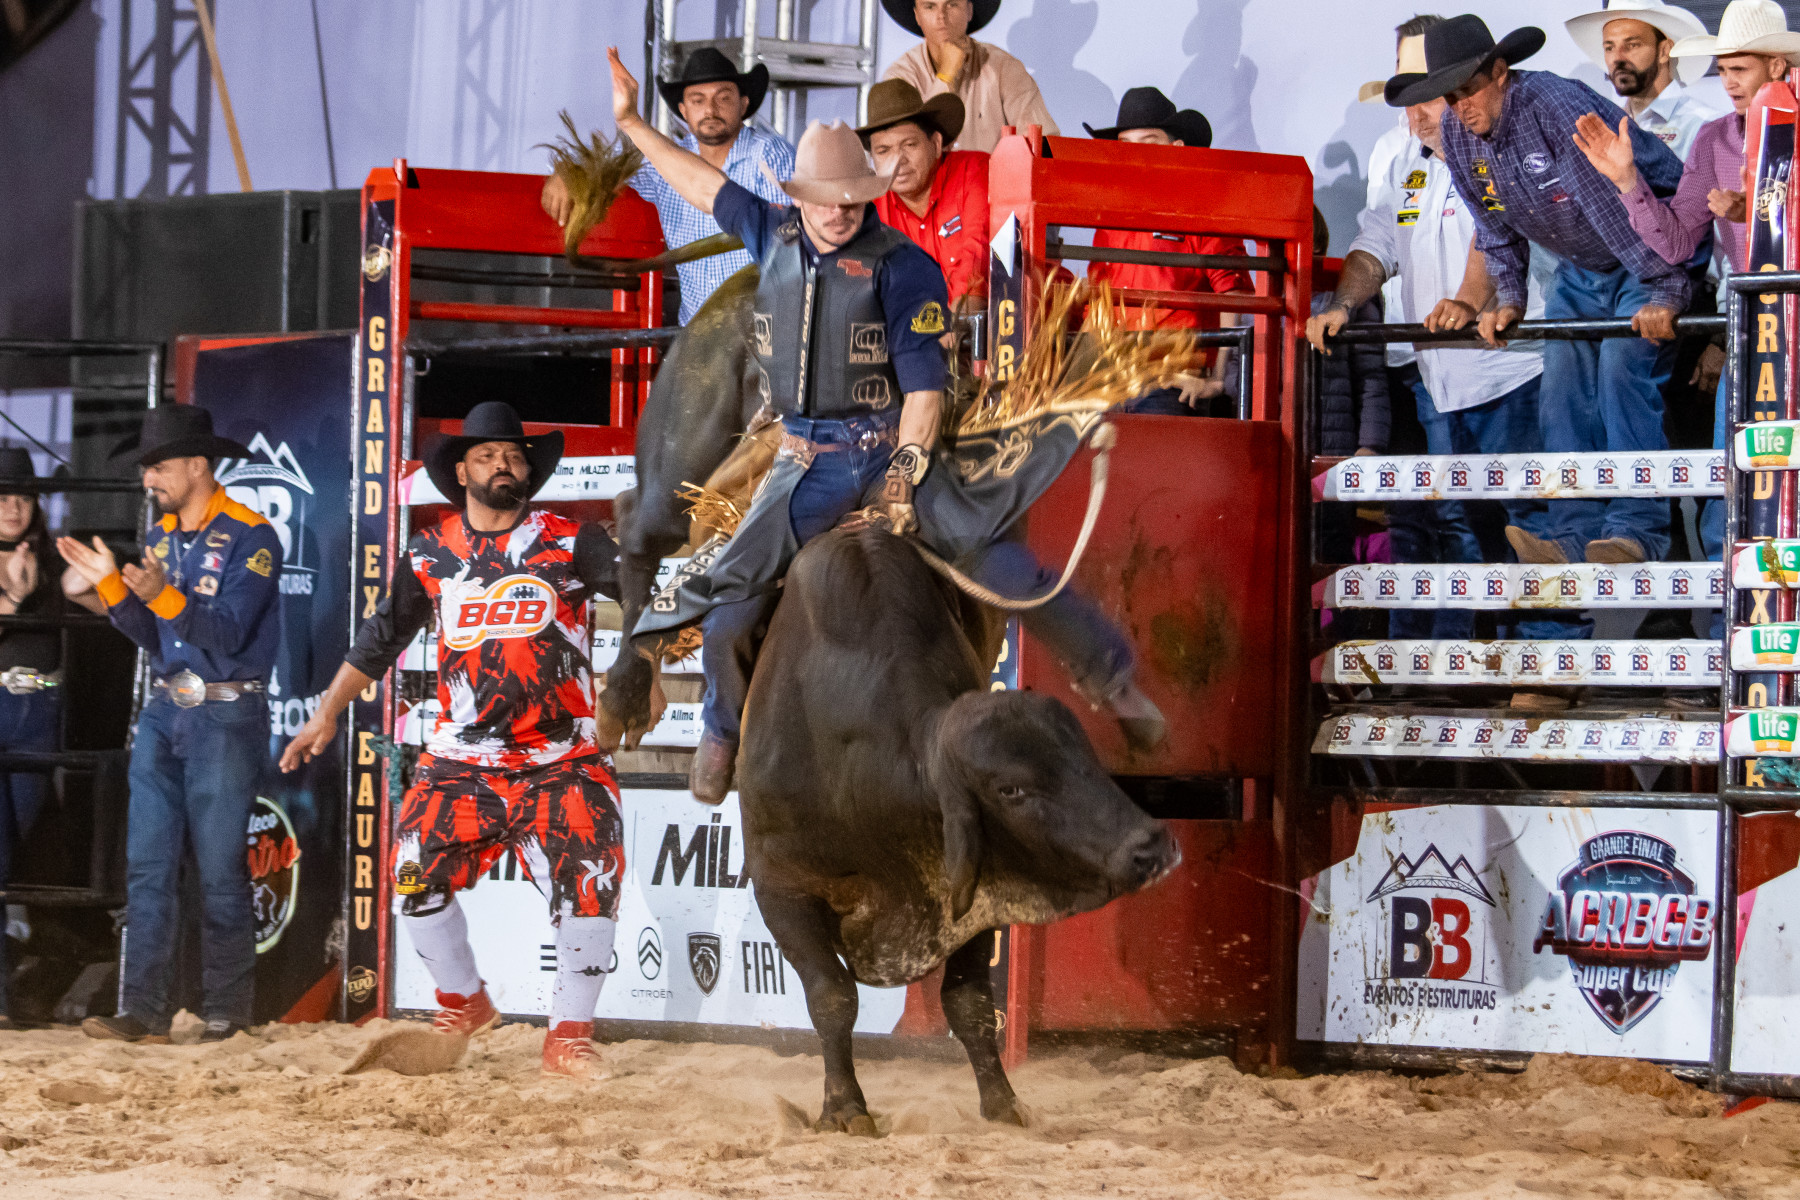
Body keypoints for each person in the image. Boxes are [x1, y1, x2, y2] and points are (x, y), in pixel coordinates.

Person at [601, 47, 1161, 802]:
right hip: (802, 459)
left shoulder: (904, 269)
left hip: (887, 446)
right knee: (730, 606)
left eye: (851, 197)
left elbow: (924, 393)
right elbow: (702, 183)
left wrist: (902, 474)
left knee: (999, 566)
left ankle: (1113, 676)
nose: (839, 210)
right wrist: (633, 123)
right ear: (798, 197)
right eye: (825, 198)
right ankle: (723, 731)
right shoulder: (772, 233)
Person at [281, 402, 625, 1077]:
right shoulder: (431, 551)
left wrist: (646, 666)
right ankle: (462, 1001)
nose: (506, 464)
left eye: (517, 456)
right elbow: (382, 638)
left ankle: (569, 1038)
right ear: (461, 470)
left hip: (564, 758)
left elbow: (641, 593)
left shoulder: (572, 538)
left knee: (592, 884)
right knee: (411, 874)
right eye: (491, 455)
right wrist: (326, 713)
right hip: (462, 757)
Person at [1404, 15, 1687, 590]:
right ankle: (1572, 532)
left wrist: (1666, 287)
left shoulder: (1553, 106)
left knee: (1620, 366)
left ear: (1501, 73)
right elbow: (1494, 222)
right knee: (1558, 378)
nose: (1459, 106)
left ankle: (1637, 529)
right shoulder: (1460, 135)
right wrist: (1508, 297)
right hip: (1587, 264)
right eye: (1449, 95)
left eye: (1468, 90)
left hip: (1652, 240)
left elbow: (1615, 205)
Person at [1309, 50, 1558, 647]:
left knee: (1529, 518)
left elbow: (1496, 234)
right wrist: (1343, 303)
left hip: (1512, 369)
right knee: (1459, 520)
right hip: (1439, 376)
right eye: (1409, 105)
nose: (1414, 117)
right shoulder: (1409, 168)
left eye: (1425, 101)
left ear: (1457, 97)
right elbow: (1376, 242)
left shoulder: (1495, 151)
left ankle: (1545, 657)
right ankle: (1476, 662)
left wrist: (1470, 301)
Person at [59, 406, 283, 1044]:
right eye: (146, 468)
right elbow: (152, 640)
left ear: (197, 465)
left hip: (225, 709)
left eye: (158, 466)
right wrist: (111, 589)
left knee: (218, 868)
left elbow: (230, 633)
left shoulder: (253, 536)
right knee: (148, 866)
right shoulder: (160, 536)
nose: (149, 477)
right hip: (167, 707)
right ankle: (144, 1011)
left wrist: (155, 594)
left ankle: (227, 1012)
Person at [1572, 0, 1800, 593]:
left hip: (1779, 324)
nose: (1727, 83)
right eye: (1722, 69)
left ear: (1777, 68)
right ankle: (1727, 651)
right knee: (1733, 483)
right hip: (1753, 326)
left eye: (1740, 70)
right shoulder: (1716, 139)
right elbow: (1676, 243)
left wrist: (1764, 211)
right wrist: (1628, 181)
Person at [541, 48, 796, 325]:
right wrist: (566, 173)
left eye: (723, 98)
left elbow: (783, 250)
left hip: (763, 332)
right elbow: (606, 172)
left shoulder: (771, 155)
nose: (710, 110)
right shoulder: (663, 161)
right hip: (697, 339)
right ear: (683, 111)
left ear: (744, 104)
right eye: (698, 100)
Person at [1084, 88, 1250, 415]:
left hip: (1173, 383)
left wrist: (1217, 383)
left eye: (1149, 143)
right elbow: (1097, 306)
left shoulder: (1205, 211)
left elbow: (1236, 297)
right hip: (1115, 382)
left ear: (1178, 149)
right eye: (1126, 147)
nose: (1136, 156)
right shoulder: (1111, 218)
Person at [861, 79, 990, 311]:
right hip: (930, 337)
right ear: (873, 160)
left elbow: (977, 253)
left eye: (909, 145)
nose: (898, 161)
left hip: (1036, 328)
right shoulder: (871, 209)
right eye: (883, 151)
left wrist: (948, 333)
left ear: (936, 144)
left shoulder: (974, 172)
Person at [881, 0, 1057, 154]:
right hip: (929, 191)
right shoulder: (899, 77)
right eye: (930, 6)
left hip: (992, 189)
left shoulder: (1004, 67)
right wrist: (946, 76)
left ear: (969, 11)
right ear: (917, 15)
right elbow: (908, 154)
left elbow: (1042, 145)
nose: (941, 16)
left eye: (952, 4)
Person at [1565, 0, 1720, 162]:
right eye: (1609, 48)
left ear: (1664, 51)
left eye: (1632, 45)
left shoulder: (1705, 125)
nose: (1617, 58)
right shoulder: (1607, 127)